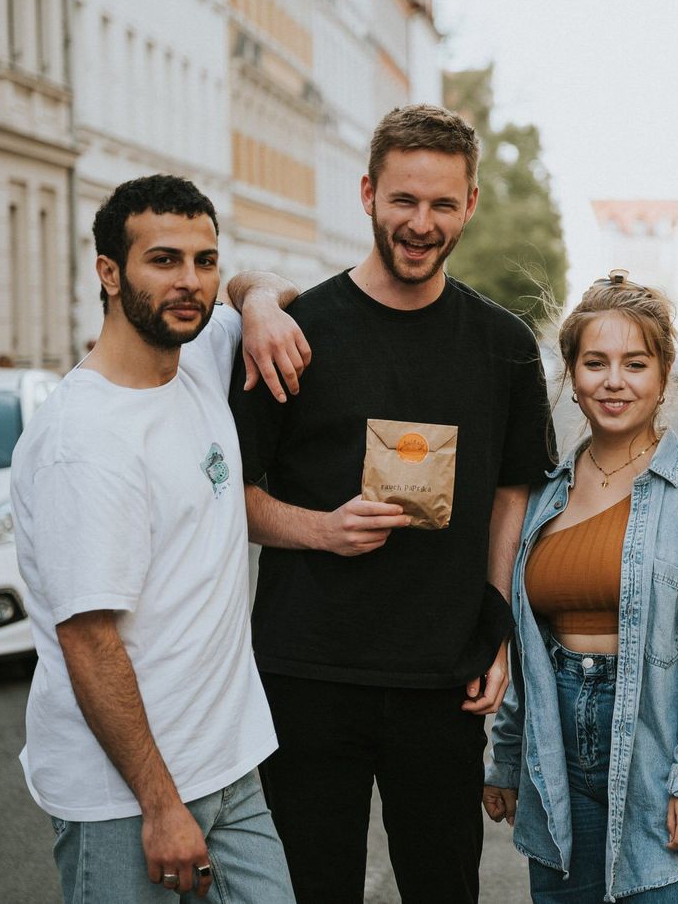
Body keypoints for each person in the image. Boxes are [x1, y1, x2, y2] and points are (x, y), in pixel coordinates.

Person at [228, 104, 556, 903]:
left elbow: (514, 487)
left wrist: (495, 615)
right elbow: (229, 497)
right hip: (305, 671)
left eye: (443, 204)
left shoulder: (504, 345)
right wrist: (322, 530)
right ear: (369, 193)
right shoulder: (296, 332)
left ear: (470, 205)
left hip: (440, 679)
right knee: (314, 889)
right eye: (404, 201)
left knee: (444, 888)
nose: (421, 223)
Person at [11, 174, 308, 903]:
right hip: (128, 798)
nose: (191, 283)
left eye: (203, 261)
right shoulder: (84, 441)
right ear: (109, 273)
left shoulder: (199, 356)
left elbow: (264, 284)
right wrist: (160, 805)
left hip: (229, 769)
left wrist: (260, 303)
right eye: (164, 260)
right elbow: (89, 640)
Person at [482, 273, 678, 903]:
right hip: (556, 761)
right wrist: (508, 755)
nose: (614, 381)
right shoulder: (545, 494)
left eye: (635, 363)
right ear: (571, 376)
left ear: (665, 374)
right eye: (595, 363)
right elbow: (528, 649)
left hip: (663, 759)